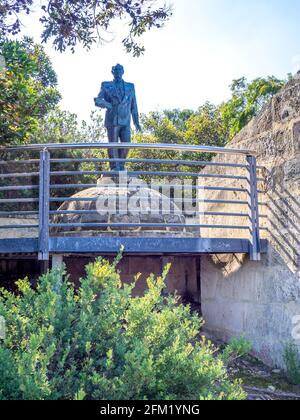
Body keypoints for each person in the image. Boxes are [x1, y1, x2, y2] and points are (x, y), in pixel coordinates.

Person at [95, 64, 141, 171]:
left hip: (125, 120)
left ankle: (121, 165)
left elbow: (134, 105)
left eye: (120, 70)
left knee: (127, 144)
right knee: (113, 145)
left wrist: (136, 122)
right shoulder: (106, 85)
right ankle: (114, 168)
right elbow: (98, 100)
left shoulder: (130, 86)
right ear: (112, 72)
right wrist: (106, 104)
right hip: (112, 119)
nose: (118, 72)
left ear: (123, 71)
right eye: (115, 70)